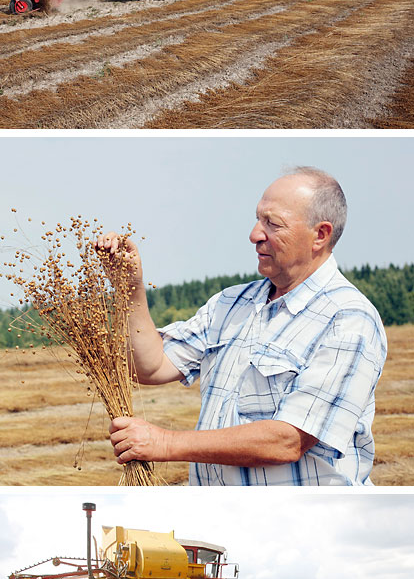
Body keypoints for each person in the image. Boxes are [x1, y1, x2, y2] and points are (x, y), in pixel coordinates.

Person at [97, 167, 387, 486]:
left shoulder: (348, 318)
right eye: (258, 219)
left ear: (320, 235)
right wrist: (129, 289)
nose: (255, 234)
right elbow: (150, 368)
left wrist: (163, 444)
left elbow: (288, 440)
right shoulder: (231, 303)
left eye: (272, 224)